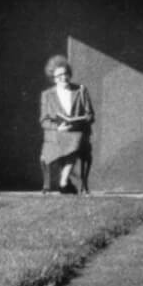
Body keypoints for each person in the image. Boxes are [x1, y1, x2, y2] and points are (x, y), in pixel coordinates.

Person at [38, 54, 94, 194]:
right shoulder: (47, 95)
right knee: (70, 141)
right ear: (53, 78)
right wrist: (58, 127)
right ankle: (65, 183)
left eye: (66, 74)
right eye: (59, 76)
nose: (63, 78)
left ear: (69, 74)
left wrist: (81, 119)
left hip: (76, 133)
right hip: (56, 134)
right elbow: (44, 120)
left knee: (76, 139)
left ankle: (63, 182)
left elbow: (90, 114)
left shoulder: (80, 90)